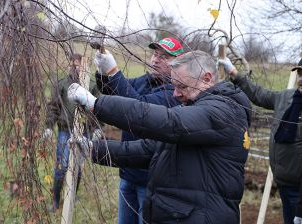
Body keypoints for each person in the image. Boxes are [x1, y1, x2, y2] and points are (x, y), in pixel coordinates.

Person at [67, 50, 252, 223]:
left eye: (182, 86)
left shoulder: (223, 111)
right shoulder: (196, 111)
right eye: (174, 85)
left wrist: (97, 105)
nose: (175, 93)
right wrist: (94, 149)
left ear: (207, 78)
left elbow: (170, 121)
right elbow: (149, 150)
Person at [93, 36, 183, 224]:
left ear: (177, 63)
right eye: (155, 54)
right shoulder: (146, 81)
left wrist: (114, 71)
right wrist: (103, 72)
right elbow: (116, 91)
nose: (155, 59)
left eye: (164, 56)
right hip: (129, 174)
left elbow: (138, 109)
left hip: (151, 180)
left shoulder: (173, 94)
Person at [218, 57, 302, 224]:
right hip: (284, 183)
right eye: (300, 73)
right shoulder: (286, 97)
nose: (301, 78)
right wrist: (234, 73)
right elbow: (260, 95)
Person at [43, 53, 102, 212]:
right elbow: (54, 106)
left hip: (84, 133)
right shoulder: (62, 84)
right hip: (65, 130)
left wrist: (97, 128)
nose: (76, 68)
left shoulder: (91, 86)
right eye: (74, 65)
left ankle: (73, 196)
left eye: (80, 65)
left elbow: (98, 109)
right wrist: (49, 126)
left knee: (77, 165)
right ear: (71, 65)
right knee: (62, 165)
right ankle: (56, 201)